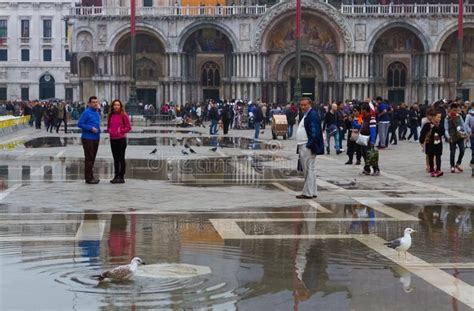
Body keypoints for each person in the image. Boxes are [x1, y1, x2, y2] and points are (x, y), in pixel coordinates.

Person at [296, 97, 324, 199]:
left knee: (308, 170)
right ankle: (313, 191)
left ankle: (307, 193)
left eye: (305, 105)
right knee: (310, 169)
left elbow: (315, 131)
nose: (303, 107)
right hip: (304, 144)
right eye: (301, 105)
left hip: (307, 145)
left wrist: (310, 144)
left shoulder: (312, 114)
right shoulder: (307, 114)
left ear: (310, 104)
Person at [107, 99, 132, 184]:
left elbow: (129, 127)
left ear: (120, 106)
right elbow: (108, 126)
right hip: (113, 139)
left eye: (118, 105)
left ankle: (121, 176)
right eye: (115, 105)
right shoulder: (111, 115)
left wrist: (120, 131)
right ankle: (116, 175)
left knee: (121, 158)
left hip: (121, 139)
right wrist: (110, 130)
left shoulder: (124, 115)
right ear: (112, 106)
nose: (116, 106)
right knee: (115, 158)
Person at [78, 96, 101, 184]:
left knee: (93, 158)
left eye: (96, 102)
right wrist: (90, 128)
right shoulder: (86, 112)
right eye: (93, 102)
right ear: (89, 103)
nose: (95, 103)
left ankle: (91, 176)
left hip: (96, 138)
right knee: (89, 158)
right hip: (88, 138)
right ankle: (88, 178)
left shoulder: (97, 112)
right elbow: (80, 124)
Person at [420, 110, 444, 177]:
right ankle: (432, 170)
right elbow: (423, 133)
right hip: (430, 143)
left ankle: (438, 169)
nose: (439, 118)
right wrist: (421, 141)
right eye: (438, 117)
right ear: (433, 117)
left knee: (438, 156)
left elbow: (442, 132)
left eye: (440, 117)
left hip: (438, 142)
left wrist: (436, 126)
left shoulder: (440, 125)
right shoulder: (428, 124)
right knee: (430, 156)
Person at [445, 103, 467, 173]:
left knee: (462, 151)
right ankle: (452, 166)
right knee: (453, 152)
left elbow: (463, 125)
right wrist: (448, 137)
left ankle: (458, 164)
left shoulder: (459, 116)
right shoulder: (447, 118)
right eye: (454, 110)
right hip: (452, 137)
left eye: (457, 110)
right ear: (450, 109)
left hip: (460, 136)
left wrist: (465, 134)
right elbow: (446, 129)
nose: (456, 112)